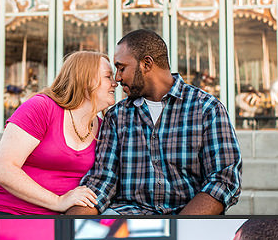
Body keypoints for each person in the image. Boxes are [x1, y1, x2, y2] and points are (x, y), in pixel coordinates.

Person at [69, 30, 241, 216]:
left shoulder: (207, 109)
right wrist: (70, 224)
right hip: (127, 216)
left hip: (188, 217)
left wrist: (177, 227)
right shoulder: (116, 116)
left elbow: (223, 180)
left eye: (122, 68)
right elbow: (102, 182)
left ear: (146, 64)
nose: (117, 78)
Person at [0, 51, 116, 216]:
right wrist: (58, 201)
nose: (115, 83)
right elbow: (2, 168)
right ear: (86, 80)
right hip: (3, 208)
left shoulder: (104, 128)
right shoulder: (42, 108)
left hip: (53, 220)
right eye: (108, 76)